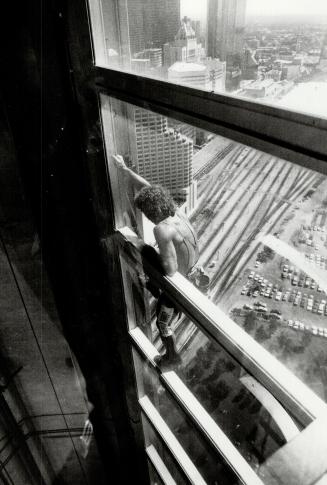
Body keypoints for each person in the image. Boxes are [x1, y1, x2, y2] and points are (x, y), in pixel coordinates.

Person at [113, 155, 199, 369]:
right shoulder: (178, 213)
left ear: (154, 211)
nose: (148, 218)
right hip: (192, 274)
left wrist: (149, 254)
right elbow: (149, 187)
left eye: (148, 214)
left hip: (177, 287)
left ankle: (172, 357)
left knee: (162, 323)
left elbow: (170, 270)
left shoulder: (162, 229)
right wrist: (125, 170)